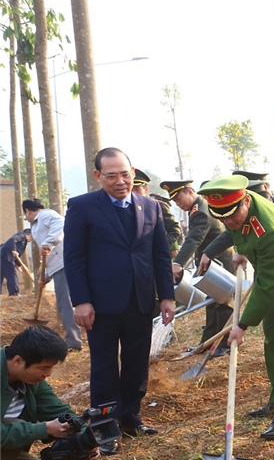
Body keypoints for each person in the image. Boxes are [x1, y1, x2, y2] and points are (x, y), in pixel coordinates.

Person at [64, 148, 175, 436]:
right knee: (104, 366)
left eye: (125, 174)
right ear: (98, 176)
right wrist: (81, 301)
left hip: (140, 299)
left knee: (137, 363)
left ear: (133, 172)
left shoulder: (150, 207)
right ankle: (104, 425)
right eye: (111, 175)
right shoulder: (82, 206)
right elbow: (73, 257)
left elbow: (160, 255)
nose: (120, 181)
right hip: (100, 303)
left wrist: (166, 295)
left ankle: (130, 418)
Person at [198, 175, 274, 440]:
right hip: (270, 278)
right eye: (222, 217)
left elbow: (267, 282)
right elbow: (233, 230)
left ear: (246, 200)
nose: (229, 222)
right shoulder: (237, 209)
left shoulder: (269, 229)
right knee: (273, 340)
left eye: (233, 215)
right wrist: (210, 251)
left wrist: (242, 324)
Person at [162, 179, 235, 355]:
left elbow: (194, 239)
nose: (178, 204)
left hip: (220, 264)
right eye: (175, 201)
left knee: (223, 304)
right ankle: (207, 343)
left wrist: (178, 263)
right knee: (211, 305)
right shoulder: (196, 209)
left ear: (190, 191)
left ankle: (225, 344)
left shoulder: (201, 211)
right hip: (208, 265)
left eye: (179, 198)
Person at [1, 326, 75, 460]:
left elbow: (55, 409)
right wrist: (44, 429)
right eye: (43, 368)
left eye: (51, 368)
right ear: (18, 361)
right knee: (16, 424)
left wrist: (84, 434)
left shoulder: (30, 380)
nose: (48, 374)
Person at [22, 199, 82, 352]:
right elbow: (50, 256)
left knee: (65, 304)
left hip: (66, 265)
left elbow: (61, 224)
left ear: (27, 211)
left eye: (25, 215)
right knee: (65, 304)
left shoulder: (46, 215)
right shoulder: (36, 223)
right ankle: (73, 339)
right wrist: (46, 275)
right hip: (59, 266)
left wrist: (48, 243)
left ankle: (74, 342)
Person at [134, 169, 181, 257]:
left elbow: (175, 228)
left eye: (137, 190)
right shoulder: (125, 208)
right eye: (131, 190)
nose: (134, 193)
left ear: (146, 190)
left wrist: (161, 247)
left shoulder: (157, 206)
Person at [0, 229, 30, 296]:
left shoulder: (22, 241)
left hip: (2, 256)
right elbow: (12, 240)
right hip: (5, 257)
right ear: (30, 235)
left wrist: (18, 265)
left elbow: (17, 255)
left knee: (0, 275)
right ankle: (14, 293)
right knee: (12, 275)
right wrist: (13, 250)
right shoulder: (22, 236)